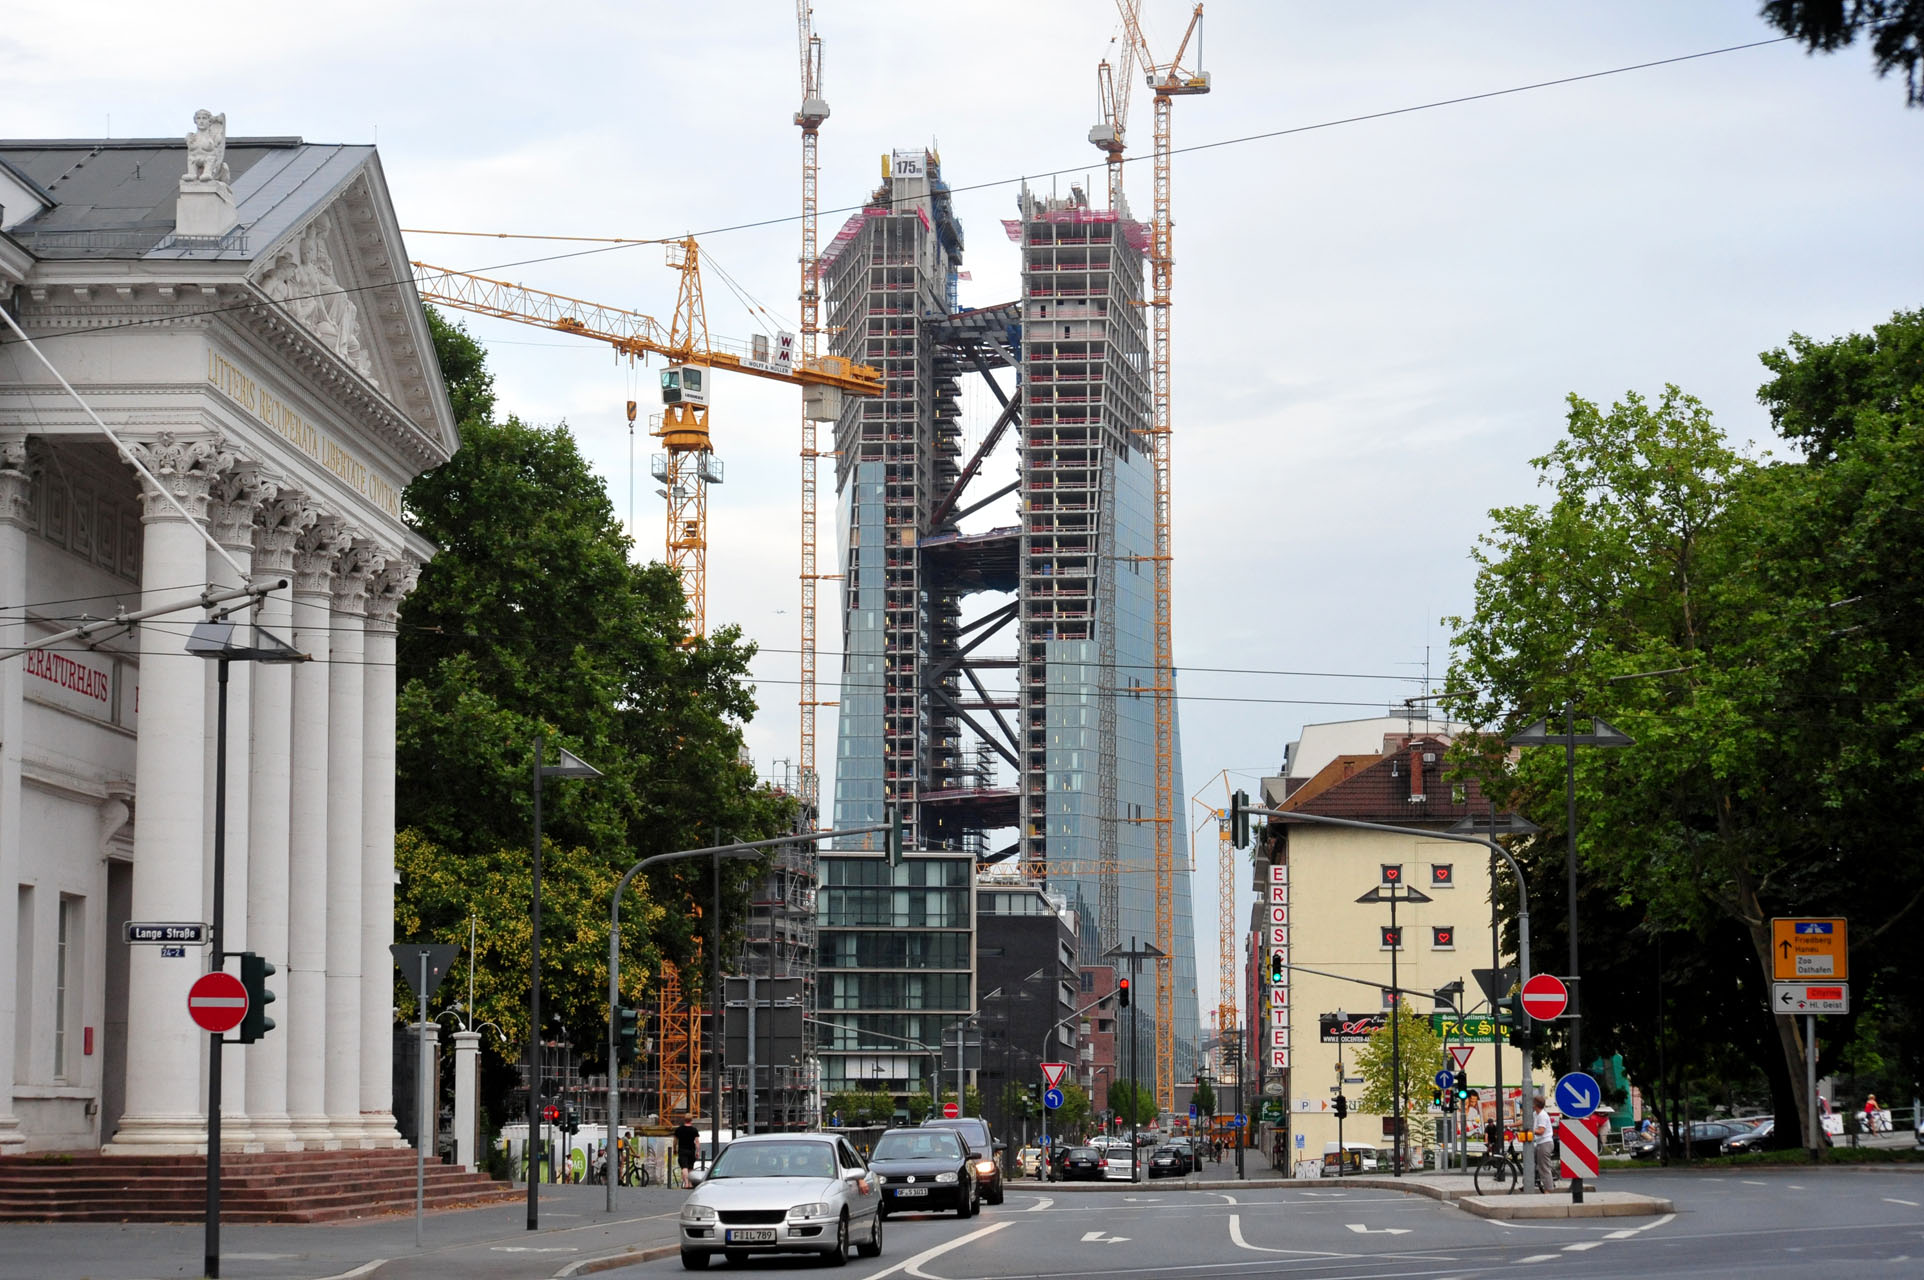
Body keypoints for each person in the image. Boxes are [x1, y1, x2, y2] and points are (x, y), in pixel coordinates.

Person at [1532, 1097, 1555, 1192]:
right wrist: (1511, 1125)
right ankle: (1528, 1183)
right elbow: (1525, 1122)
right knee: (1531, 1163)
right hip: (1540, 1143)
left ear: (1535, 1105)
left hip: (1545, 1143)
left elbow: (1541, 1131)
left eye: (1532, 1103)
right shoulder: (1535, 1114)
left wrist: (1530, 1130)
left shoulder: (1542, 1115)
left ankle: (1549, 1190)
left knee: (1544, 1167)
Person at [674, 1114, 700, 1189]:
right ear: (691, 1120)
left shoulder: (679, 1129)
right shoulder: (694, 1130)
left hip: (682, 1150)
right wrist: (697, 1152)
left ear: (684, 1120)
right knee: (690, 1167)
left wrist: (674, 1149)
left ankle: (686, 1183)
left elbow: (675, 1141)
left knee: (684, 1167)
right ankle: (691, 1183)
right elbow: (697, 1142)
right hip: (691, 1150)